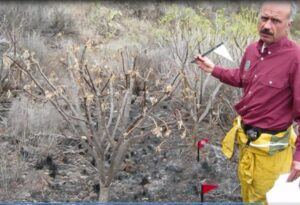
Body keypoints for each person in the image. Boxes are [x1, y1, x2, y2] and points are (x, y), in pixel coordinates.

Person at [194, 1, 300, 203]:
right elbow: (243, 78)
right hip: (247, 143)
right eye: (264, 18)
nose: (267, 26)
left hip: (272, 153)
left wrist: (299, 158)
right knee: (248, 192)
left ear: (289, 24)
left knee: (272, 199)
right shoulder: (253, 49)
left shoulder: (296, 58)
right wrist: (214, 69)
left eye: (275, 20)